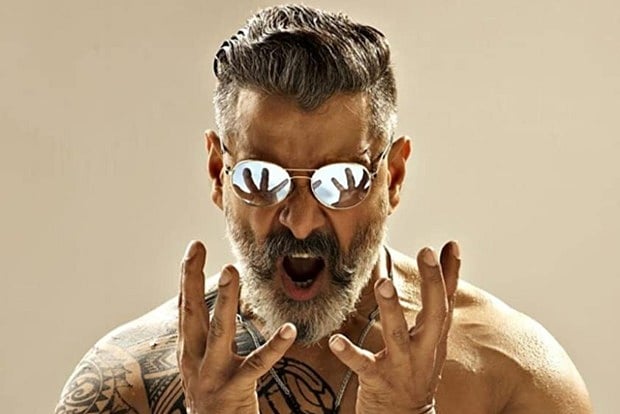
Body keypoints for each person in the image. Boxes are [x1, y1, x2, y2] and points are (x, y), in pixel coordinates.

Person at [55, 5, 593, 413]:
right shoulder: (128, 384)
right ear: (219, 173)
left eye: (341, 182)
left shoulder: (509, 375)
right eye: (261, 178)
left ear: (393, 177)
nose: (302, 220)